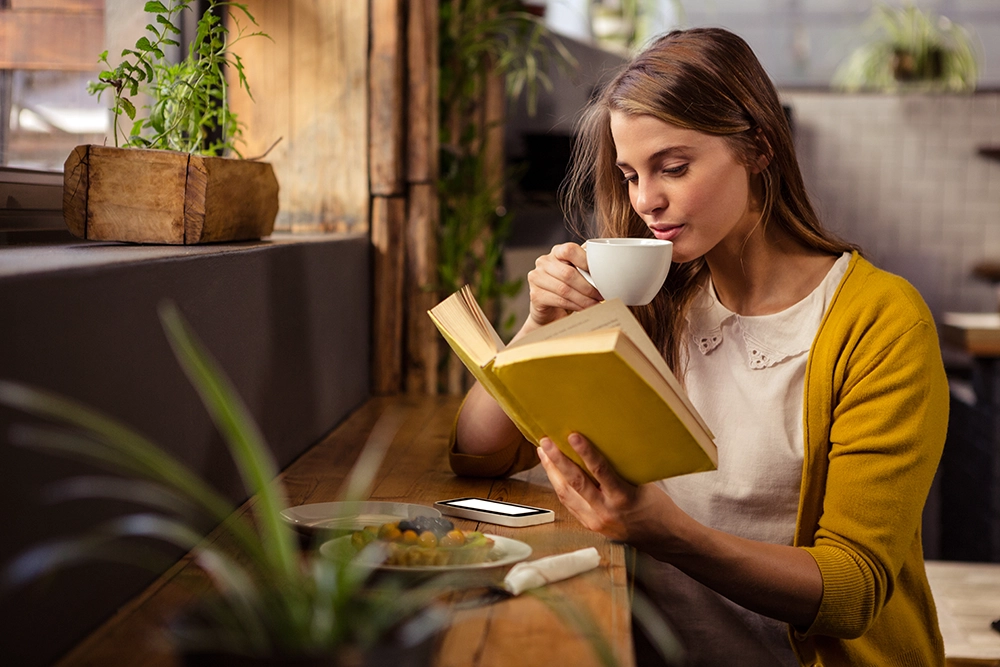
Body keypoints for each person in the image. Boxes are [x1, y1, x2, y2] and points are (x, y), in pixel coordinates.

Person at [448, 27, 949, 667]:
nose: (645, 201)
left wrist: (671, 535)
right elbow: (479, 453)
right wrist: (537, 326)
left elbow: (852, 591)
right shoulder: (655, 304)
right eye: (630, 175)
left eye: (674, 168)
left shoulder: (880, 323)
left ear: (759, 148)